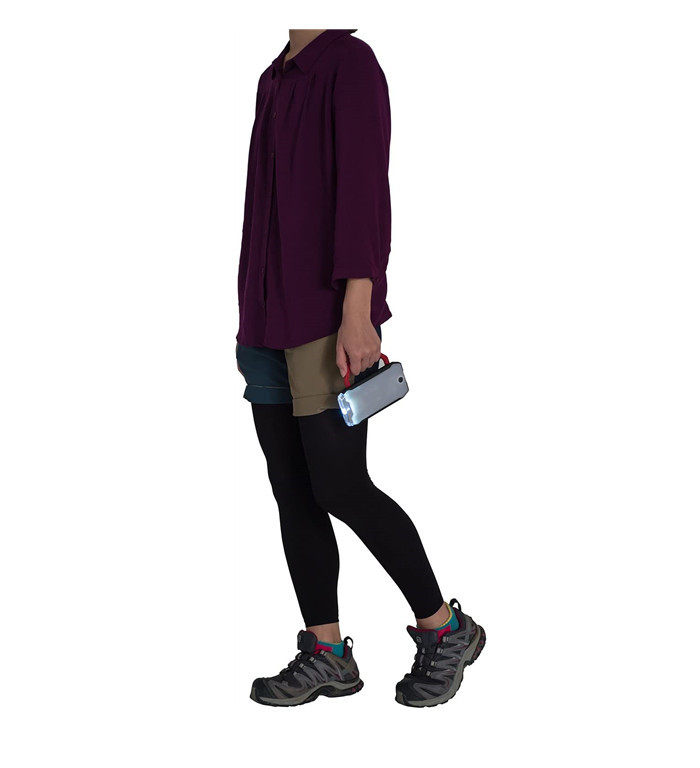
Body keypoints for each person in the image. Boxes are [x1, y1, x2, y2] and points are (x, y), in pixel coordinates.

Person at [236, 29, 485, 708]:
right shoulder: (274, 76)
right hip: (263, 314)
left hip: (322, 316)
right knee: (292, 489)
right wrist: (250, 309)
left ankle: (446, 629)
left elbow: (364, 193)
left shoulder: (349, 64)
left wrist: (359, 307)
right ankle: (327, 653)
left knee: (341, 486)